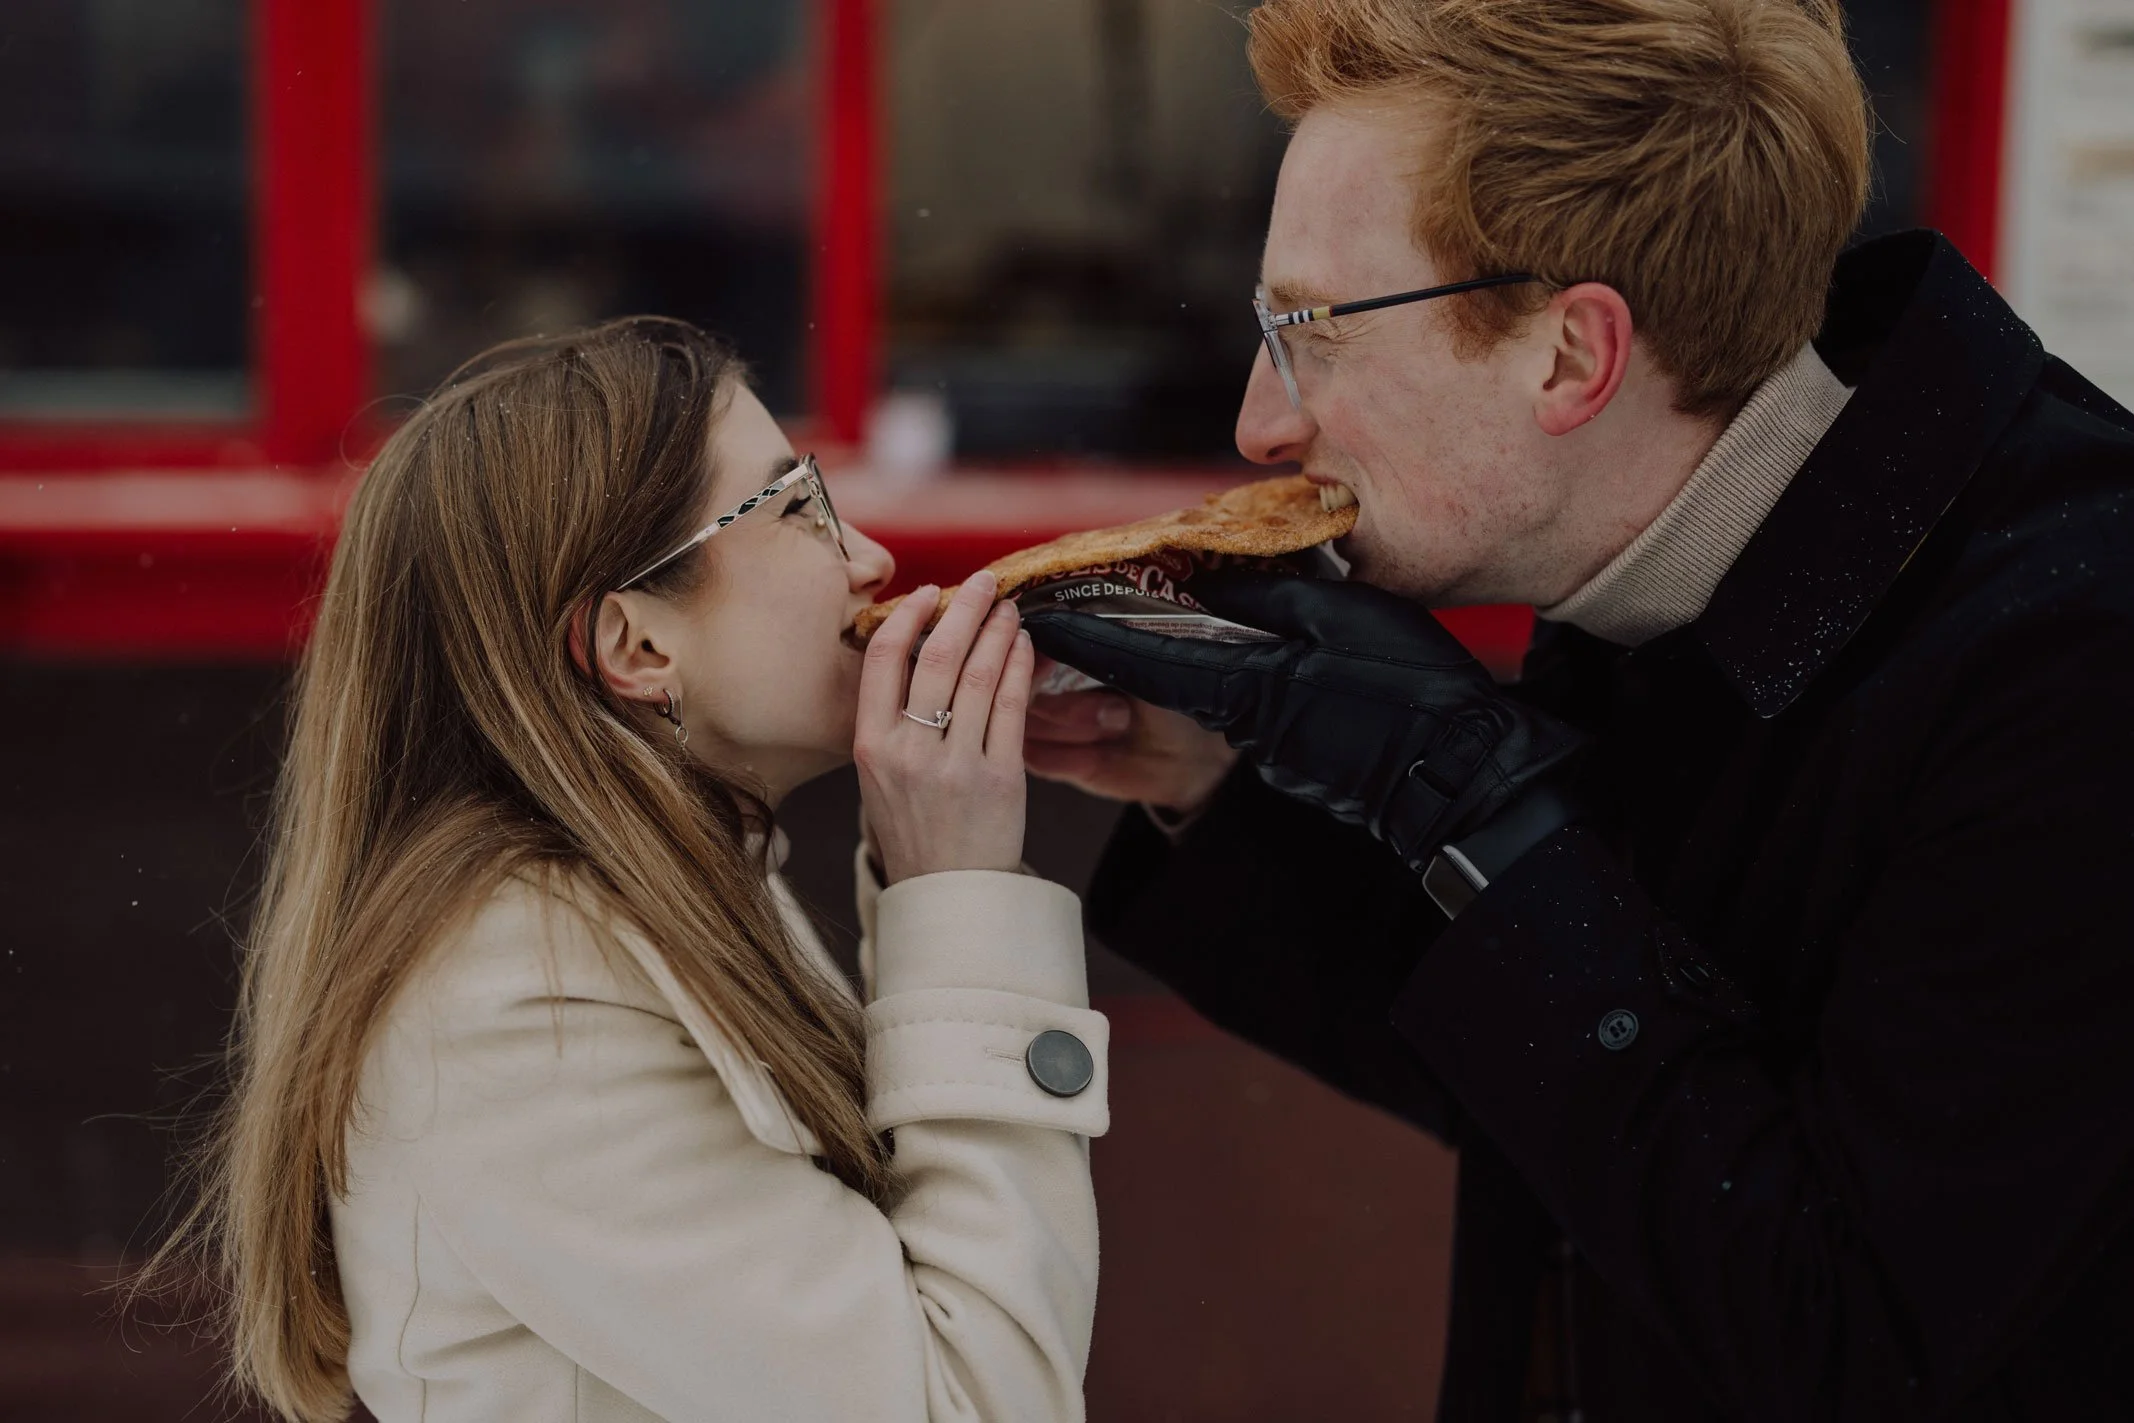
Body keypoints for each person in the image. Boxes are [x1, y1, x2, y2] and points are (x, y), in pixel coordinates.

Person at [1022, 0, 2134, 1419]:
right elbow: (1571, 1108)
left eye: (1308, 330)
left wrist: (1466, 790)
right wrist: (1208, 787)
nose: (1259, 421)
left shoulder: (2075, 660)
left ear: (1569, 356)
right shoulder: (1660, 551)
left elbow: (1852, 1327)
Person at [142, 318, 1109, 1423]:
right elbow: (972, 1404)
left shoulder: (675, 883)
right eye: (797, 507)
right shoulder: (519, 1003)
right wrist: (961, 898)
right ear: (637, 646)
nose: (869, 559)